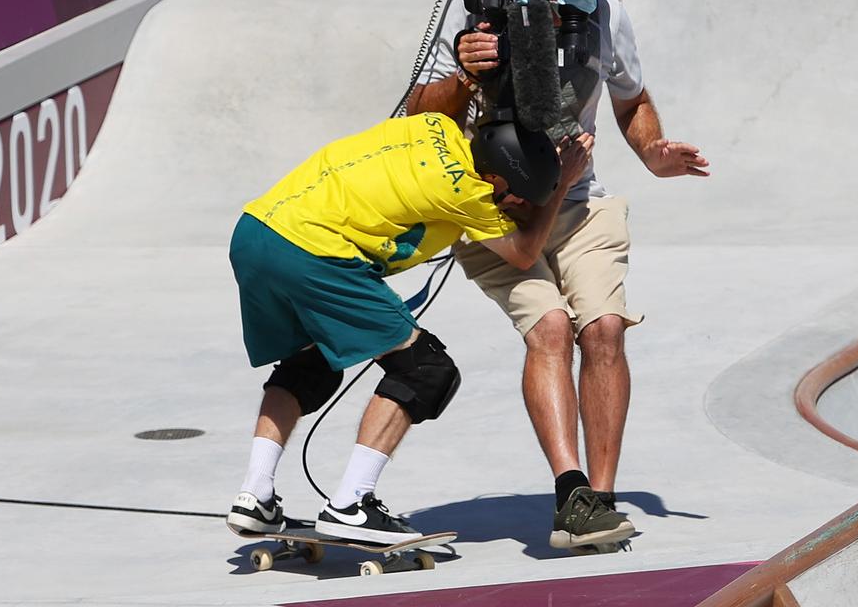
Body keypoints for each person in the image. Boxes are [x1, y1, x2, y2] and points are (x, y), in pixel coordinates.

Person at [406, 0, 710, 549]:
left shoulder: (607, 19)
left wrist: (654, 154)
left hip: (578, 200)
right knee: (549, 328)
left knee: (602, 329)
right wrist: (468, 72)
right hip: (497, 207)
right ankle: (568, 487)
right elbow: (418, 114)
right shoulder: (483, 19)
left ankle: (597, 498)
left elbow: (633, 100)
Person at [225, 110, 593, 544]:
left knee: (311, 366)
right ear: (495, 181)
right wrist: (562, 184)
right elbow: (523, 252)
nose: (519, 209)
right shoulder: (468, 193)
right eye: (517, 199)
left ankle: (255, 495)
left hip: (255, 233)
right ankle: (350, 505)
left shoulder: (433, 124)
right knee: (425, 371)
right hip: (315, 252)